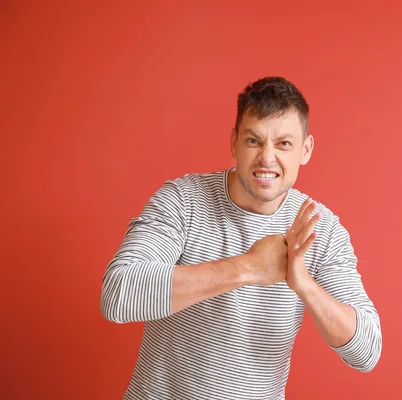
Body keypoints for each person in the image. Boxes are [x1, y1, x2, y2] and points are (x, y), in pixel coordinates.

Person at [100, 76, 382, 399]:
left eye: (283, 144)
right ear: (233, 142)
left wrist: (304, 285)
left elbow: (367, 352)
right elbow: (118, 294)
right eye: (253, 140)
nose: (267, 157)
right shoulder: (183, 200)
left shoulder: (321, 228)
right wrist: (248, 268)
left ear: (306, 149)